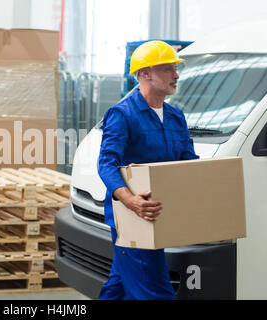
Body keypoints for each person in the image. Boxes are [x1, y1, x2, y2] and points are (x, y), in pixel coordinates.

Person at [97, 40, 199, 300]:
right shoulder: (123, 114)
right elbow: (106, 164)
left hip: (159, 215)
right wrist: (131, 201)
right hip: (133, 218)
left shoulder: (176, 116)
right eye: (168, 69)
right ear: (144, 74)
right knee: (156, 293)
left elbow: (188, 162)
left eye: (176, 69)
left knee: (119, 287)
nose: (176, 75)